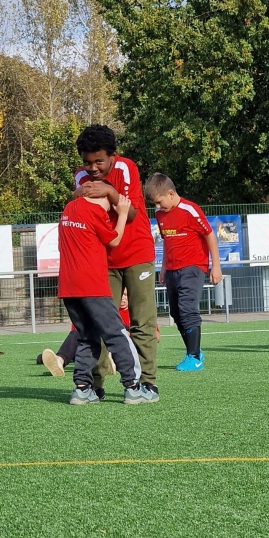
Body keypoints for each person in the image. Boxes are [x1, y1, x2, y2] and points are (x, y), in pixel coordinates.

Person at [70, 125, 159, 402]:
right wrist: (79, 194)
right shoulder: (80, 177)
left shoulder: (126, 168)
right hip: (102, 260)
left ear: (113, 156)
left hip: (137, 253)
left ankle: (147, 383)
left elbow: (130, 214)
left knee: (142, 322)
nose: (92, 168)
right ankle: (94, 385)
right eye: (87, 162)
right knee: (99, 324)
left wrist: (109, 191)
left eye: (99, 161)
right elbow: (79, 206)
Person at [57, 188, 153, 404]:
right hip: (92, 286)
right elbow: (114, 240)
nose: (113, 204)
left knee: (87, 337)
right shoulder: (95, 211)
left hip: (68, 288)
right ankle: (133, 388)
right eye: (111, 200)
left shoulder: (69, 208)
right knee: (117, 334)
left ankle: (82, 389)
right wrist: (122, 214)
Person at [145, 172, 222, 371]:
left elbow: (210, 236)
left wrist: (216, 265)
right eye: (154, 204)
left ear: (171, 193)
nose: (158, 207)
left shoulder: (190, 209)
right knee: (176, 313)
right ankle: (194, 350)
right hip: (172, 269)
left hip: (193, 267)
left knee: (187, 309)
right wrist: (163, 268)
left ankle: (194, 357)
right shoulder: (160, 214)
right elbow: (167, 241)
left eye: (159, 202)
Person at [37, 292, 133, 376]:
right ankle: (59, 360)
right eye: (120, 294)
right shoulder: (106, 310)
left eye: (125, 295)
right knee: (80, 332)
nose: (122, 298)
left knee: (120, 333)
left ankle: (108, 360)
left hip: (116, 345)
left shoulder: (133, 313)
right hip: (93, 344)